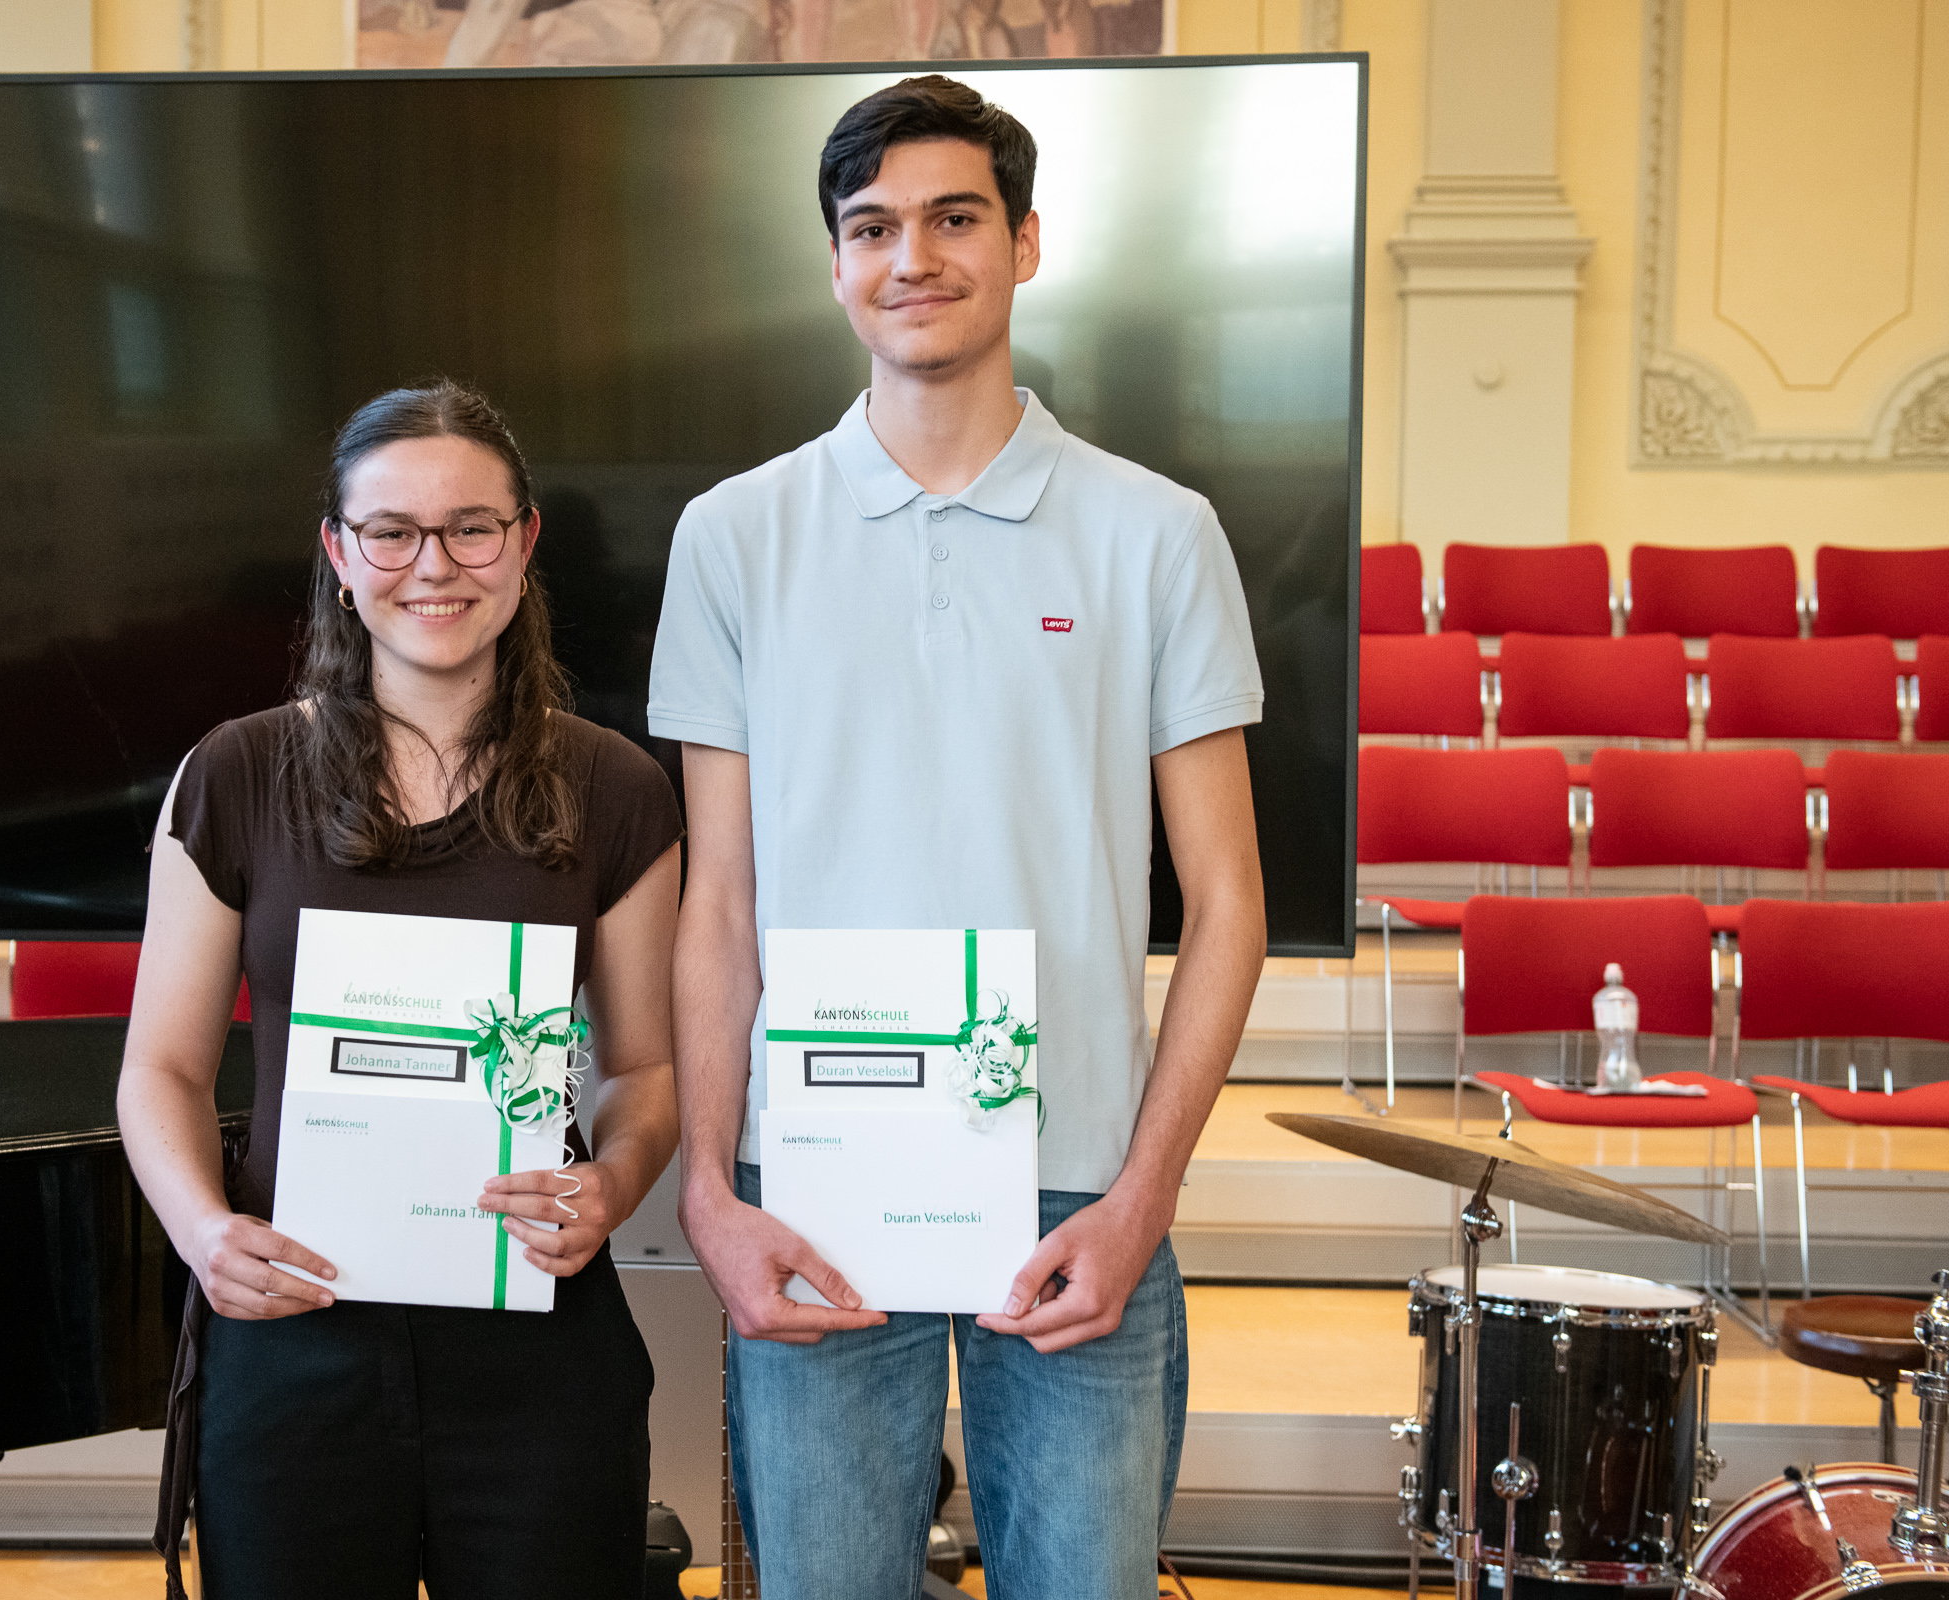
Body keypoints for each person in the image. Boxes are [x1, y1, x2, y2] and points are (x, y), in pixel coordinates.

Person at [648, 76, 1268, 1600]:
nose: (911, 257)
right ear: (834, 264)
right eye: (872, 228)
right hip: (815, 1178)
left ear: (1027, 243)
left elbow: (1229, 904)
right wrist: (712, 1189)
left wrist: (1143, 1199)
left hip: (1080, 1194)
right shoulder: (732, 536)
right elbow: (718, 902)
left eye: (953, 219)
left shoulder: (1159, 533)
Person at [119, 380, 684, 1600]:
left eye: (472, 527)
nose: (434, 565)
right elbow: (160, 1068)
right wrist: (203, 1233)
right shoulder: (233, 774)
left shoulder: (620, 789)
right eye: (392, 531)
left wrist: (612, 1182)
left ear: (525, 543)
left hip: (539, 1355)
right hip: (292, 1345)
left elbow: (643, 1070)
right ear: (339, 552)